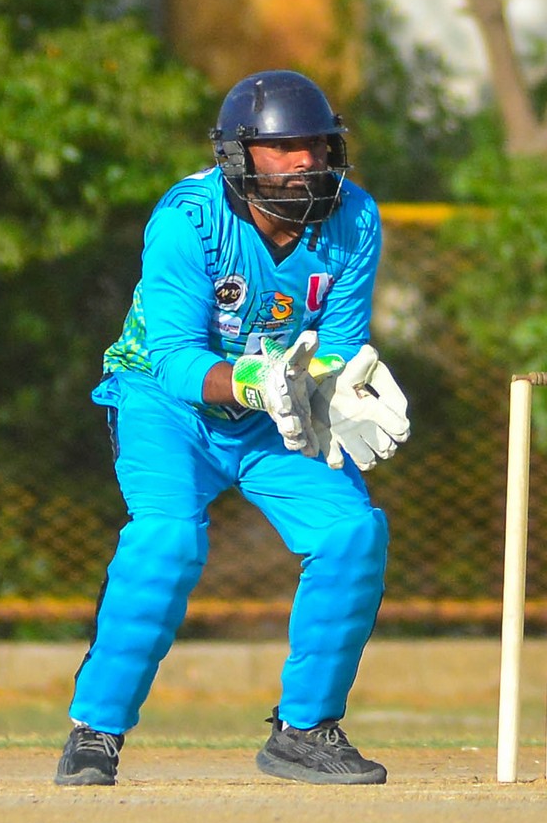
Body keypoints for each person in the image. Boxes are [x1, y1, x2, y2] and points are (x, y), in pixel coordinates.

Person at [55, 70, 411, 787]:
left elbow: (340, 340)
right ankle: (95, 731)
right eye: (284, 148)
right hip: (166, 404)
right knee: (167, 540)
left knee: (351, 532)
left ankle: (305, 729)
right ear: (237, 157)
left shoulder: (355, 217)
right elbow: (175, 359)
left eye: (317, 144)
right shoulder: (188, 219)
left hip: (277, 413)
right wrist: (254, 381)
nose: (307, 161)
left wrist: (338, 384)